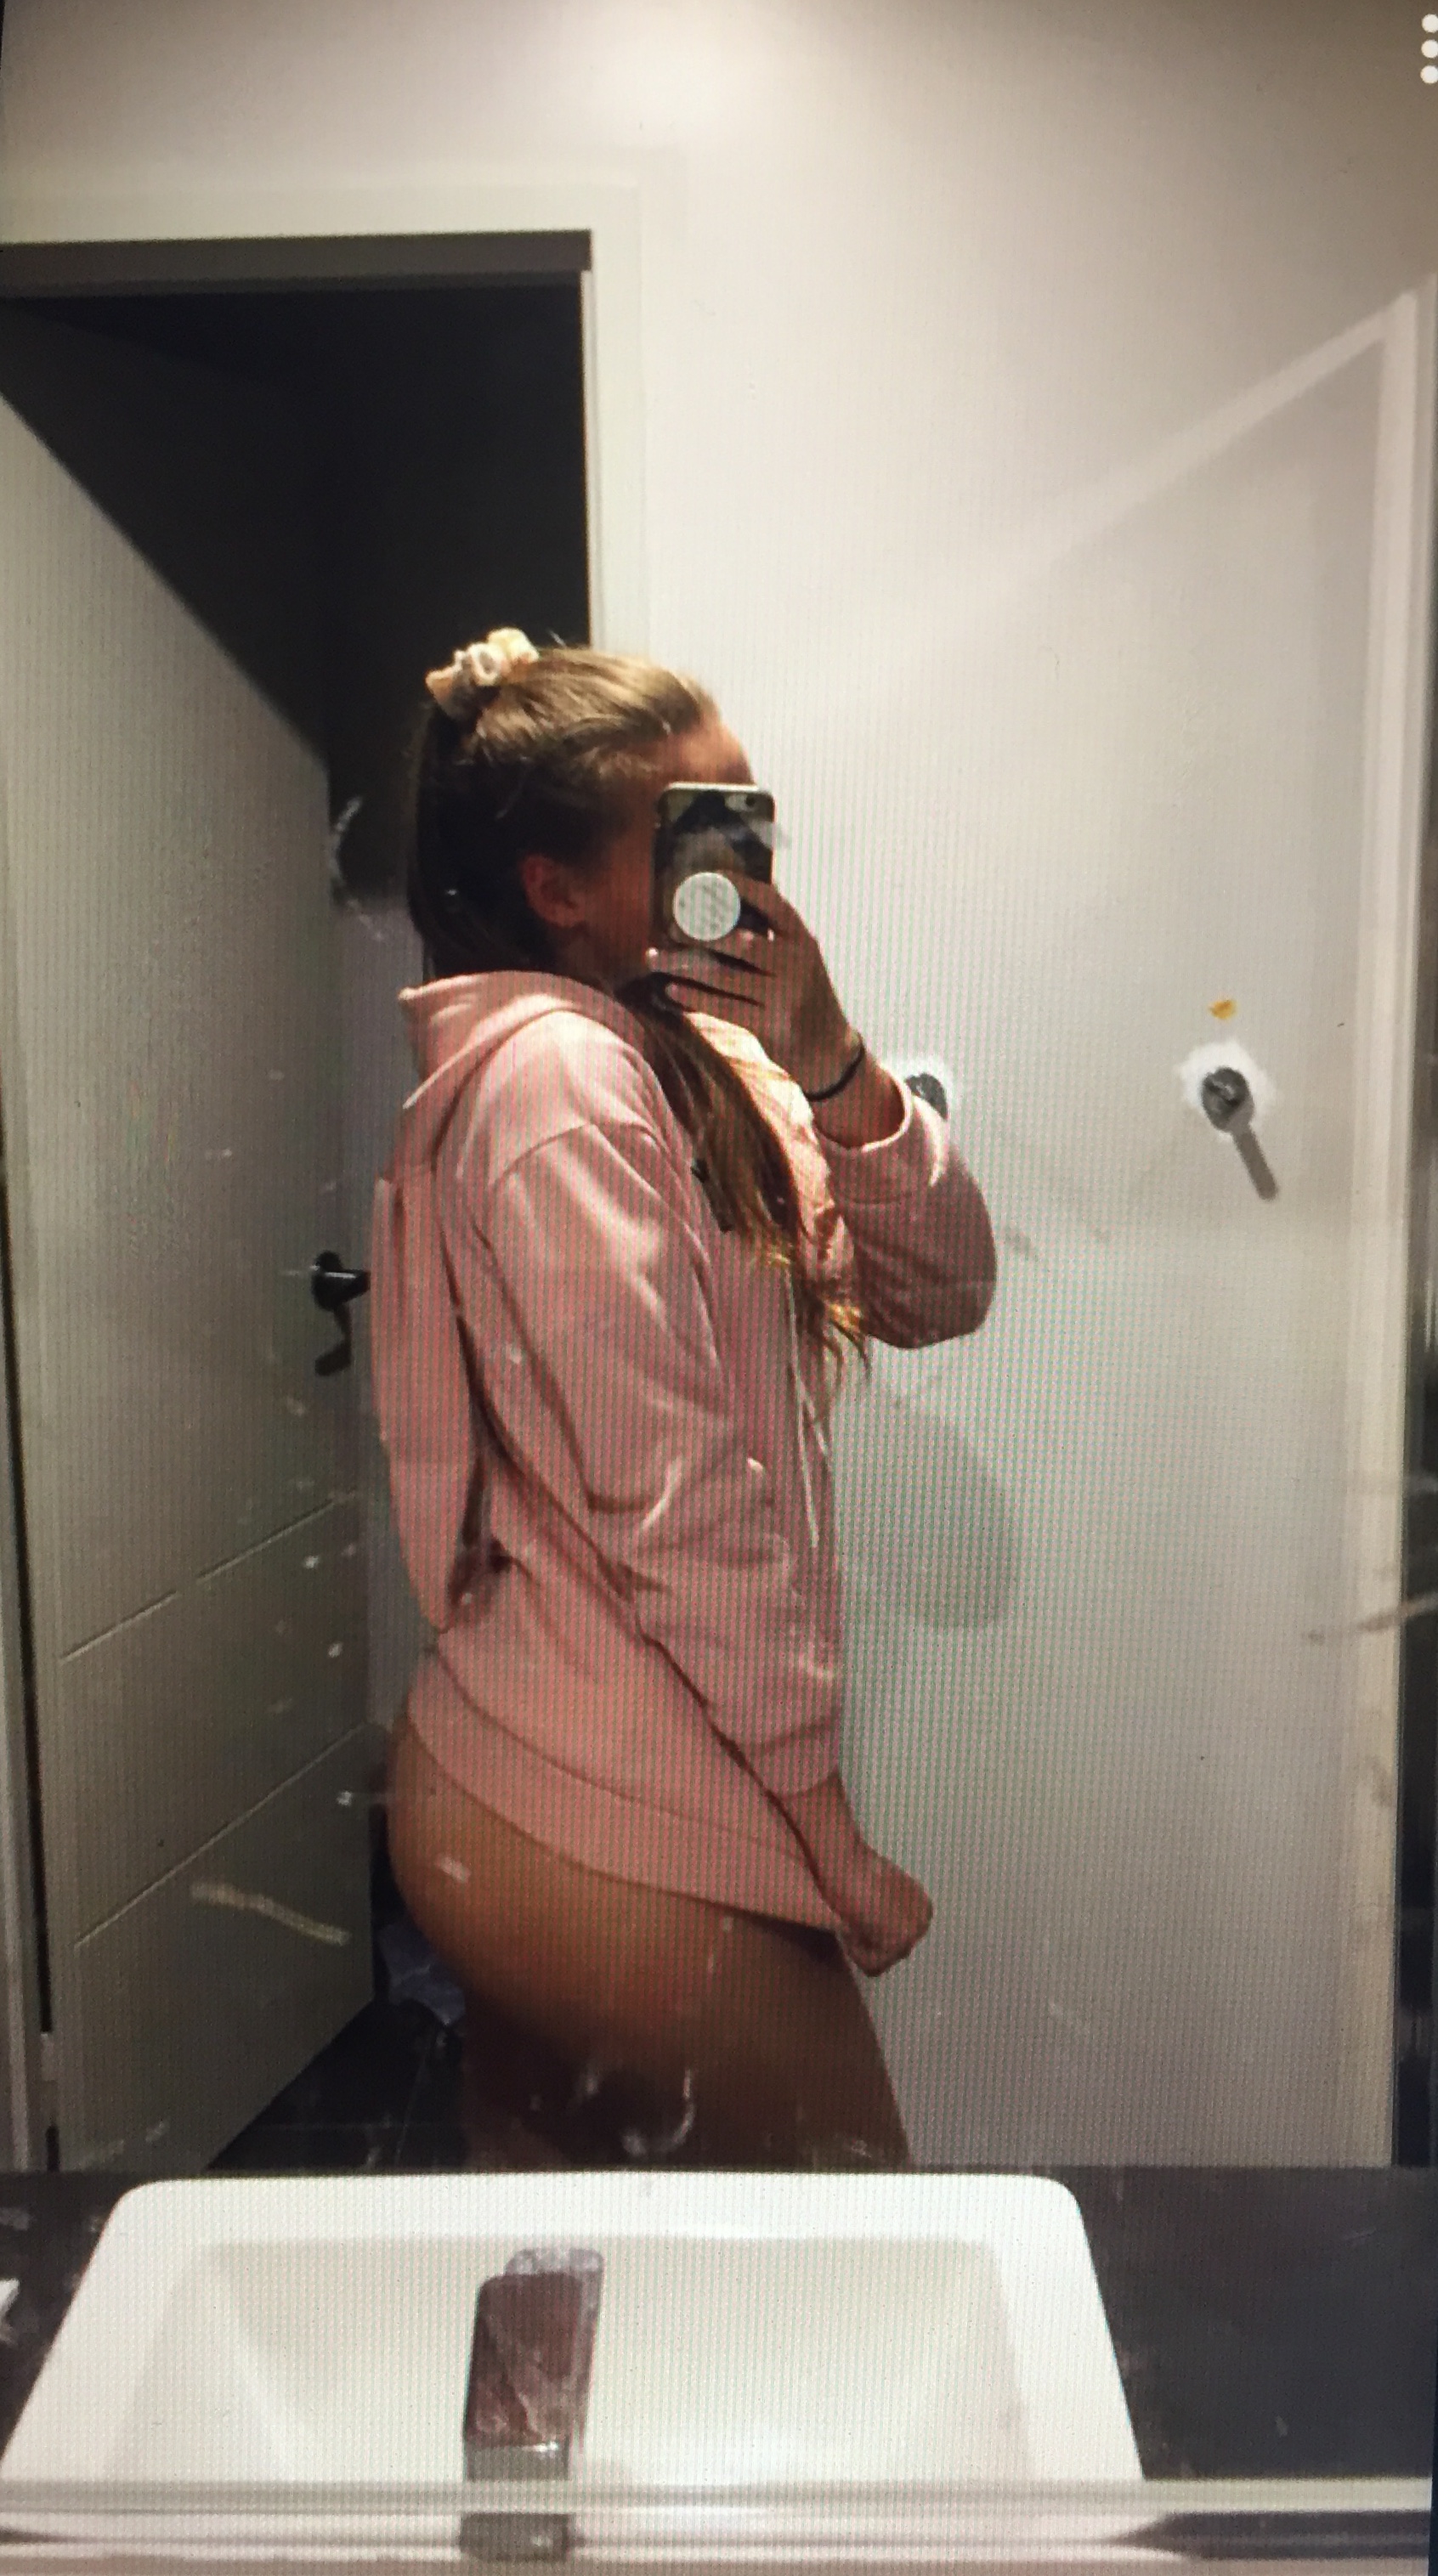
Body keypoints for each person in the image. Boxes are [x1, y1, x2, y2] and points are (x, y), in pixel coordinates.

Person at [371, 626, 998, 2168]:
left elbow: (940, 1291)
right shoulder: (561, 1087)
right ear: (557, 889)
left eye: (747, 808)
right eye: (697, 828)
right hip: (589, 1797)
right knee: (850, 2228)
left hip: (551, 1772)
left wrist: (829, 1052)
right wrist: (826, 1832)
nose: (746, 860)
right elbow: (680, 1502)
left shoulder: (692, 1053)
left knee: (560, 2255)